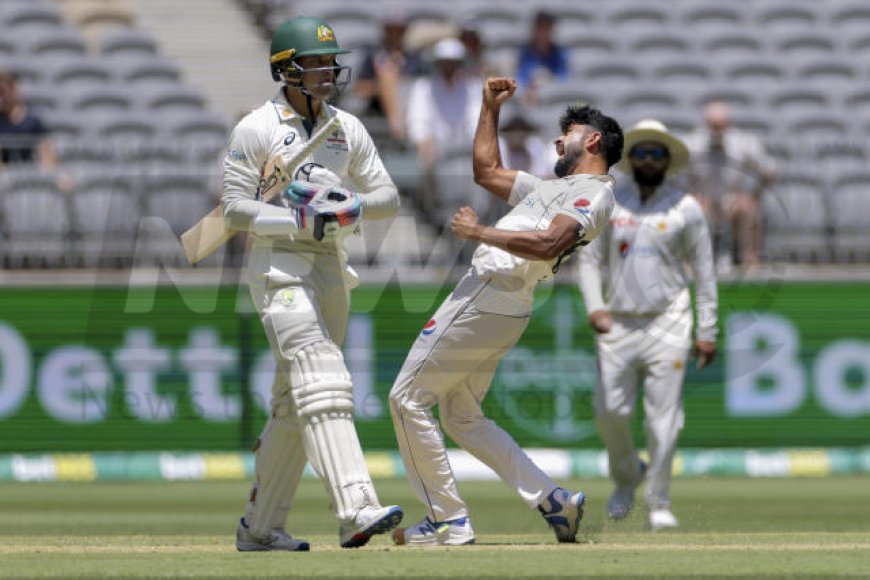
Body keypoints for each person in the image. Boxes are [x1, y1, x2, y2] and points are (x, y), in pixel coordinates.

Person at [389, 76, 623, 547]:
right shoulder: (547, 188)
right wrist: (488, 108)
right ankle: (553, 500)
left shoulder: (594, 193)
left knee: (406, 398)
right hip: (502, 303)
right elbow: (486, 170)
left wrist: (480, 233)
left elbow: (550, 243)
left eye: (569, 131)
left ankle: (447, 520)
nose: (558, 138)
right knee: (461, 418)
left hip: (490, 293)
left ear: (593, 140)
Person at [221, 16, 403, 551]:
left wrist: (352, 208)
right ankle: (356, 508)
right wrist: (298, 221)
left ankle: (258, 529)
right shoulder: (255, 127)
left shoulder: (346, 128)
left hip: (329, 266)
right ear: (287, 69)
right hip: (278, 267)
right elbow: (234, 209)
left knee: (293, 405)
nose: (328, 70)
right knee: (324, 383)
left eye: (330, 61)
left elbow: (388, 196)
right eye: (316, 62)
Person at [578, 119, 718, 531]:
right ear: (631, 157)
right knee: (610, 412)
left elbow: (706, 272)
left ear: (667, 160)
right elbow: (588, 259)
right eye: (641, 152)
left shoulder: (685, 207)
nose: (649, 160)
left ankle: (658, 502)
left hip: (669, 321)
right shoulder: (610, 201)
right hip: (616, 323)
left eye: (657, 154)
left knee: (664, 419)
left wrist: (707, 330)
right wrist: (595, 307)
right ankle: (627, 477)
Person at [683, 101, 776, 270]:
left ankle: (749, 260)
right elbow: (674, 176)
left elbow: (770, 172)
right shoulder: (691, 143)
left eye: (721, 125)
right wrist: (689, 194)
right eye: (713, 125)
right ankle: (690, 262)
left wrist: (755, 194)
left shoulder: (744, 143)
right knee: (690, 206)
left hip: (731, 199)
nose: (717, 130)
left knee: (747, 207)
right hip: (703, 199)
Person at [353, 12, 425, 142]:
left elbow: (422, 87)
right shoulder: (373, 56)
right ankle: (399, 131)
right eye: (391, 29)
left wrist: (399, 77)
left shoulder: (414, 58)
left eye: (399, 30)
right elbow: (361, 89)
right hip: (379, 111)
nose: (395, 34)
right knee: (387, 75)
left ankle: (400, 130)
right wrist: (383, 84)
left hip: (411, 104)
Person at [0, 72, 56, 170]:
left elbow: (47, 154)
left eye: (3, 92)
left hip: (31, 174)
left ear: (14, 90)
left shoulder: (33, 122)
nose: (3, 97)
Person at [516, 11, 569, 94]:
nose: (543, 34)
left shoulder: (560, 54)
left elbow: (564, 78)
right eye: (540, 29)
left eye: (546, 29)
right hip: (528, 96)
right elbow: (521, 77)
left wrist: (547, 82)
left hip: (553, 96)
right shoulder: (524, 53)